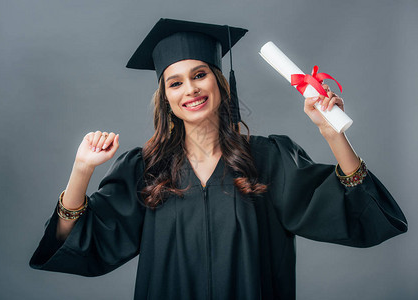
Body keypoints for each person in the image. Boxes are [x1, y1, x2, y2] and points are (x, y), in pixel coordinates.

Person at [29, 18, 407, 300]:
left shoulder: (269, 158)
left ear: (218, 82)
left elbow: (356, 210)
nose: (190, 89)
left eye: (199, 75)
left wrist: (333, 135)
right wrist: (81, 171)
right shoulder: (145, 169)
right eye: (175, 82)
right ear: (166, 98)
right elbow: (80, 241)